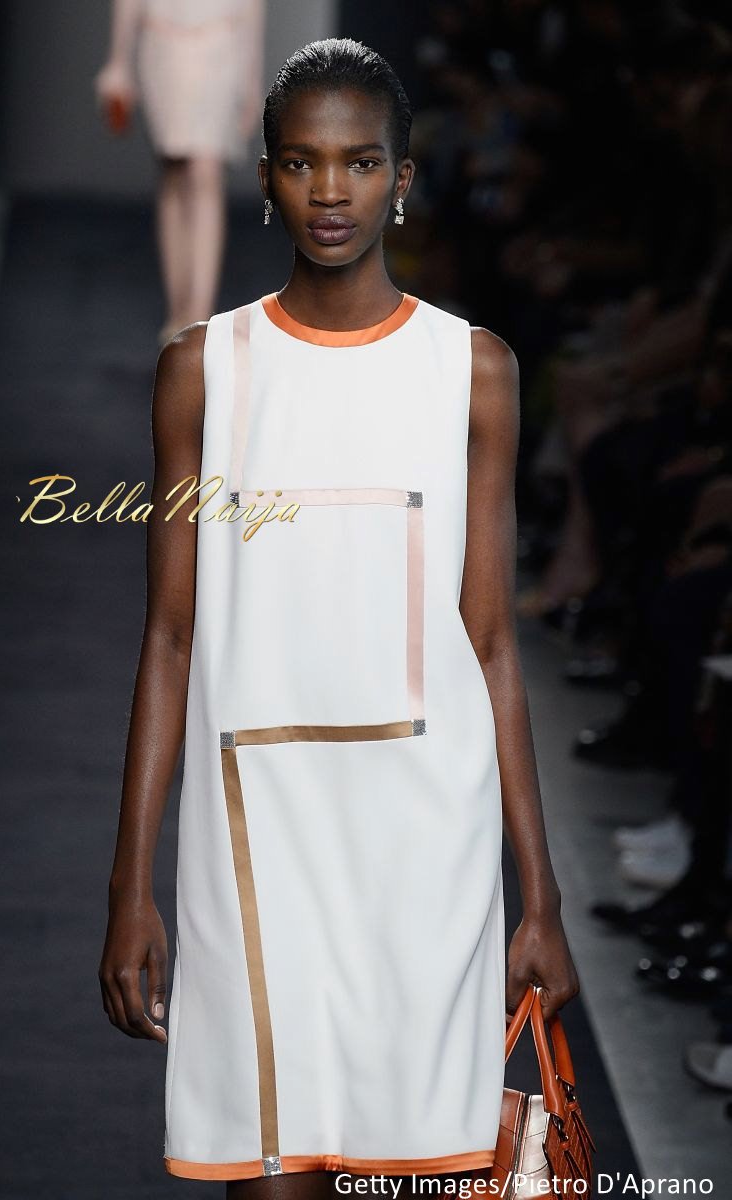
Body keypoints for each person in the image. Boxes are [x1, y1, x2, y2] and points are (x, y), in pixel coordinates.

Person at [98, 36, 580, 1197]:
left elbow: (490, 641)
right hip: (253, 825)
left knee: (410, 1174)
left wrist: (540, 895)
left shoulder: (473, 372)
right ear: (266, 176)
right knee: (272, 1174)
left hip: (426, 833)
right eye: (302, 163)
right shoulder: (205, 370)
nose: (330, 190)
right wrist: (129, 886)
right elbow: (169, 637)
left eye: (360, 163)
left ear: (400, 179)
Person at [94, 0, 266, 345]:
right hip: (162, 44)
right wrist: (119, 59)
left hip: (221, 43)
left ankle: (199, 321)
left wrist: (252, 78)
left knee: (206, 172)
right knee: (173, 171)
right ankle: (177, 314)